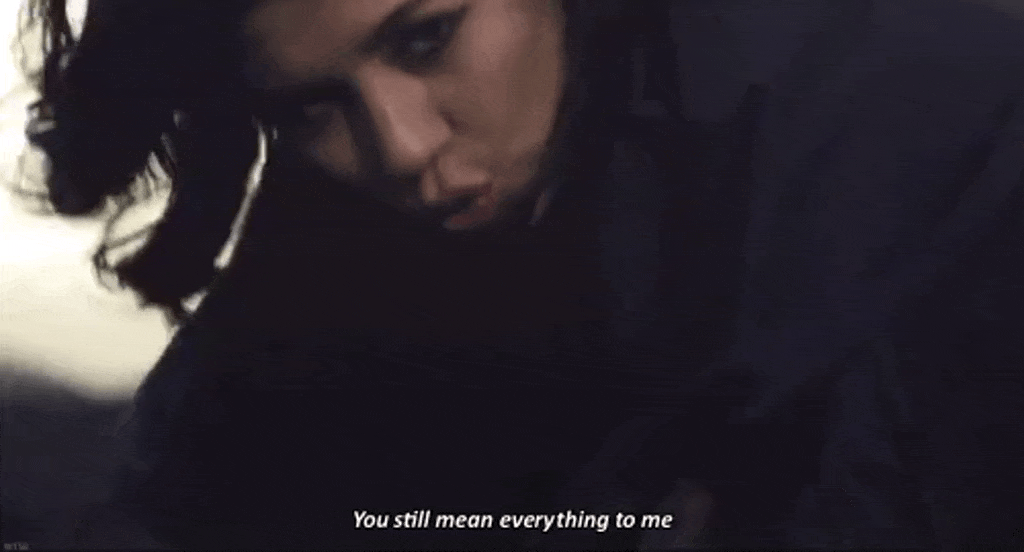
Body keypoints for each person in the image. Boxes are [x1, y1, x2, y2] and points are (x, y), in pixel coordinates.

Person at [19, 0, 1024, 549]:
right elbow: (195, 494)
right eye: (309, 107)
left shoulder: (915, 102)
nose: (403, 147)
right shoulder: (340, 223)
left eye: (426, 37)